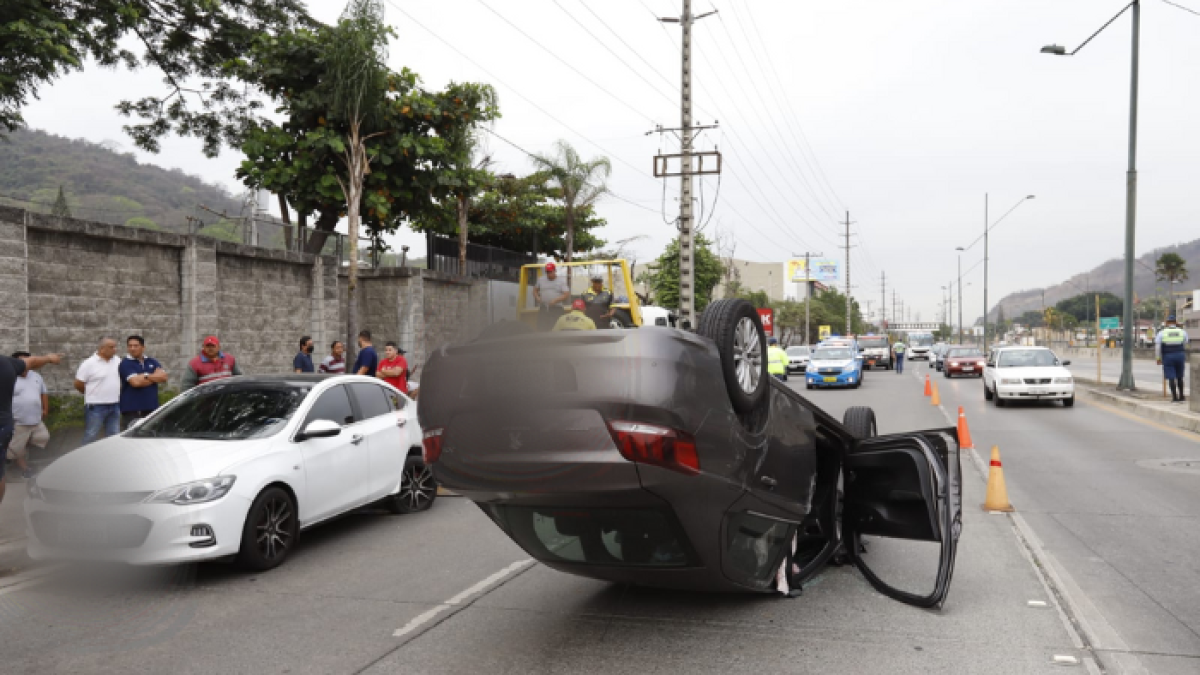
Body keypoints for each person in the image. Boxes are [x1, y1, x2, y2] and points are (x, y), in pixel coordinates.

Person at [0, 351, 61, 504]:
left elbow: (41, 389)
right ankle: (22, 466)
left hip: (22, 423)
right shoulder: (7, 364)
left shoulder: (33, 376)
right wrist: (48, 358)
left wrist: (44, 409)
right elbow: (33, 361)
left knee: (40, 438)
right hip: (11, 423)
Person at [7, 351, 49, 480]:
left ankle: (12, 454)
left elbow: (43, 392)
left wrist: (45, 409)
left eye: (28, 361)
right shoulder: (9, 377)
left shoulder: (36, 376)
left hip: (36, 419)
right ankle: (26, 469)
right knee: (17, 449)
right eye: (23, 362)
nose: (26, 365)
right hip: (18, 420)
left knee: (44, 438)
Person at [74, 336, 123, 445]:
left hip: (114, 404)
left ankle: (111, 457)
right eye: (111, 347)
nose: (115, 349)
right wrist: (91, 394)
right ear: (102, 349)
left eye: (115, 347)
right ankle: (85, 458)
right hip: (96, 406)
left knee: (114, 435)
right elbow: (78, 383)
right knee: (91, 434)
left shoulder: (117, 360)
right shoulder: (88, 364)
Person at [118, 335, 167, 429]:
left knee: (150, 437)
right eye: (130, 346)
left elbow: (163, 377)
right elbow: (135, 383)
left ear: (143, 347)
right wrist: (152, 376)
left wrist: (144, 376)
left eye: (136, 346)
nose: (132, 348)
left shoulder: (152, 361)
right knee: (132, 439)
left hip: (152, 408)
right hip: (133, 410)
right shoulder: (125, 364)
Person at [1155, 315, 1190, 403]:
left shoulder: (1162, 333)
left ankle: (1175, 398)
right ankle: (1181, 396)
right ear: (1176, 322)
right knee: (1180, 376)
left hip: (1168, 356)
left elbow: (1158, 347)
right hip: (1180, 355)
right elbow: (1186, 342)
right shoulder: (1182, 332)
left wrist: (1158, 358)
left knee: (1171, 377)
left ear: (1167, 323)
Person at [533, 262, 570, 331]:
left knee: (555, 327)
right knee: (541, 327)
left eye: (550, 272)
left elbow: (566, 294)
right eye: (547, 272)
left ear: (554, 271)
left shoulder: (561, 281)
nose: (549, 274)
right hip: (544, 308)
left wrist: (555, 300)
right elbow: (535, 290)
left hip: (556, 308)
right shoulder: (541, 280)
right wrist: (537, 297)